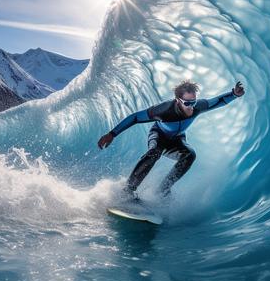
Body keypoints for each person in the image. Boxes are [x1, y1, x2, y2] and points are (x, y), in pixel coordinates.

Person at [98, 79, 245, 200]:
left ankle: (162, 190)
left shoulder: (197, 107)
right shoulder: (164, 110)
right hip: (159, 135)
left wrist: (234, 94)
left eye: (193, 102)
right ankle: (128, 190)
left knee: (189, 155)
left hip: (177, 139)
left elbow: (217, 101)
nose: (191, 107)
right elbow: (136, 117)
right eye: (187, 103)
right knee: (154, 153)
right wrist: (112, 134)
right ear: (178, 100)